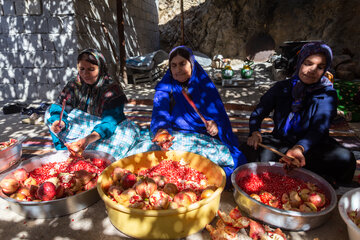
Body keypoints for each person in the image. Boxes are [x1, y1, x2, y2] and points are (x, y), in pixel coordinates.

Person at [241, 42, 356, 187]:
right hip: (281, 142)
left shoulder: (327, 94)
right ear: (299, 62)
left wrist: (300, 148)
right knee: (252, 149)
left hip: (312, 147)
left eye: (320, 67)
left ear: (325, 69)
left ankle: (305, 173)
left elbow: (319, 129)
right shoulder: (282, 88)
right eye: (308, 63)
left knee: (346, 159)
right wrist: (255, 131)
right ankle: (313, 176)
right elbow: (259, 112)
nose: (312, 70)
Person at [149, 45, 247, 186]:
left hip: (203, 138)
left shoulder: (205, 86)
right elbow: (160, 114)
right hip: (176, 137)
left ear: (192, 64)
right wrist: (162, 130)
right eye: (174, 65)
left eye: (182, 64)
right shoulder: (165, 88)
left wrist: (216, 125)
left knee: (237, 163)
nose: (178, 70)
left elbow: (220, 117)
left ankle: (190, 181)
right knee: (153, 157)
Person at [45, 48, 140, 159]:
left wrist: (87, 139)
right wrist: (59, 121)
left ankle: (86, 148)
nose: (85, 74)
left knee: (109, 152)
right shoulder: (74, 85)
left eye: (91, 69)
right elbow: (61, 106)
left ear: (101, 68)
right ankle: (65, 150)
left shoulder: (111, 90)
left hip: (105, 130)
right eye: (82, 69)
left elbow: (109, 123)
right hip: (82, 126)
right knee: (49, 113)